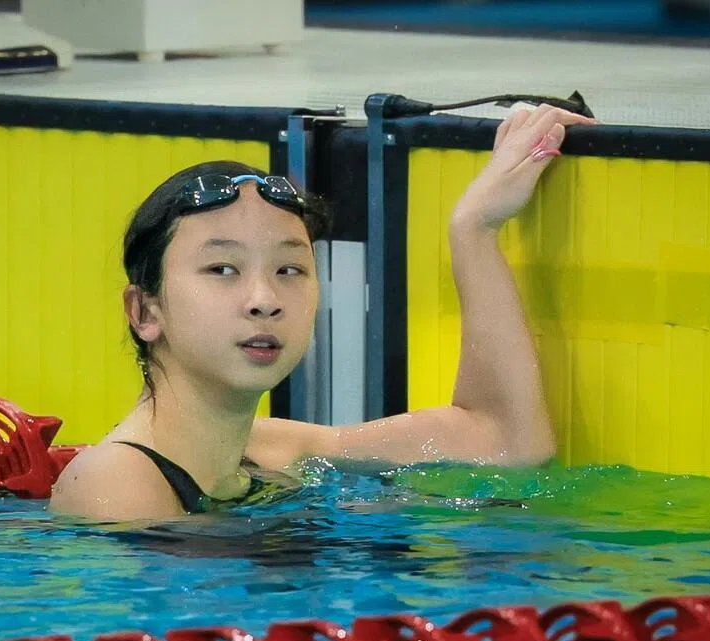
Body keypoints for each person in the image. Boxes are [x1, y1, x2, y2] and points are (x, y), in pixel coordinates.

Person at [50, 105, 596, 520]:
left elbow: (505, 442)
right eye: (222, 269)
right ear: (144, 311)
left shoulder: (272, 450)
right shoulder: (119, 483)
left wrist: (474, 230)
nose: (264, 299)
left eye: (290, 270)